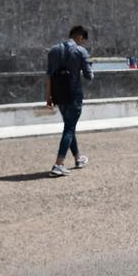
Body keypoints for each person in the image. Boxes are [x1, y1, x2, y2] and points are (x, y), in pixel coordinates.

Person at [45, 25, 93, 177]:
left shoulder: (53, 50)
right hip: (74, 95)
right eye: (82, 40)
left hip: (58, 95)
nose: (82, 43)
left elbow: (49, 75)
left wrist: (48, 96)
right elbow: (89, 76)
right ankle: (58, 165)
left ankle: (78, 159)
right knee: (69, 128)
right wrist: (88, 66)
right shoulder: (80, 51)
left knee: (69, 126)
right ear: (80, 37)